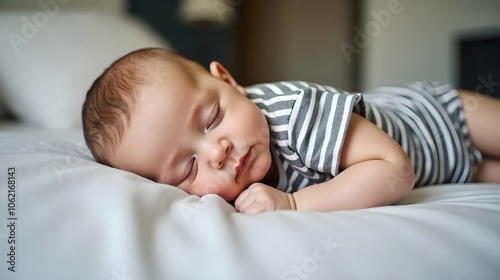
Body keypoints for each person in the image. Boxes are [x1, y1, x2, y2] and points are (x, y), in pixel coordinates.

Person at [82, 48, 500, 214]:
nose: (218, 151)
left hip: (443, 115)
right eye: (187, 169)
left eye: (211, 120)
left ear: (228, 81)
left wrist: (295, 204)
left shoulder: (295, 114)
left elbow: (395, 169)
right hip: (454, 170)